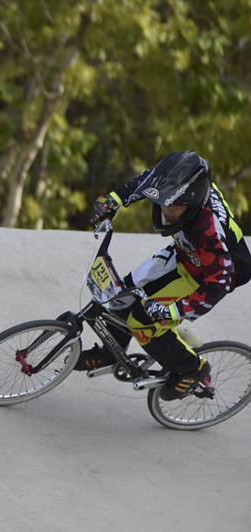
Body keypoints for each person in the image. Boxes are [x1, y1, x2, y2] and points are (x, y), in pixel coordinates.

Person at [79, 149, 251, 400]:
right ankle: (109, 352)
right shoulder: (186, 187)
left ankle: (192, 369)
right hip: (186, 253)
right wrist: (114, 199)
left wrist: (172, 311)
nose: (166, 209)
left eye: (174, 204)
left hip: (208, 275)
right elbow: (149, 180)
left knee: (142, 321)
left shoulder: (208, 231)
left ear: (192, 202)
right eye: (163, 200)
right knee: (120, 297)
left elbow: (219, 283)